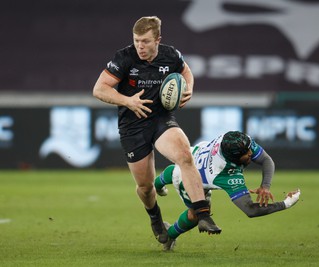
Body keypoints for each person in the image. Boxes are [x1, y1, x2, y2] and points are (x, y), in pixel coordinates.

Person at [92, 16, 221, 244]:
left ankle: (203, 214)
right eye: (136, 40)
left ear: (158, 40)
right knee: (145, 186)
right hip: (132, 126)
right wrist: (128, 101)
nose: (139, 46)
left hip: (161, 119)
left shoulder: (171, 55)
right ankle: (155, 218)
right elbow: (99, 89)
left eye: (145, 41)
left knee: (184, 155)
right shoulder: (125, 58)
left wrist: (188, 88)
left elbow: (186, 72)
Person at [154, 131, 301, 251]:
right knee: (195, 214)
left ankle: (155, 185)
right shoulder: (225, 173)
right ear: (234, 157)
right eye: (246, 152)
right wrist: (286, 203)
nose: (251, 153)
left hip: (197, 153)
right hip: (189, 181)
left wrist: (265, 186)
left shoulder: (234, 140)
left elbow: (266, 160)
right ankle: (168, 236)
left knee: (179, 167)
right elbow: (250, 210)